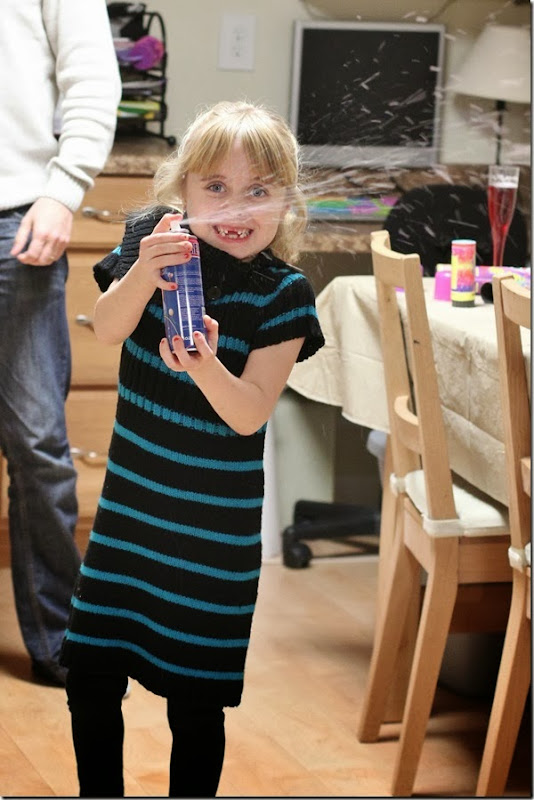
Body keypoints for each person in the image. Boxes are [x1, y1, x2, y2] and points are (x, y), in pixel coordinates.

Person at [60, 100, 325, 797]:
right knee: (89, 675)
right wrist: (141, 273)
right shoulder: (152, 239)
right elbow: (106, 328)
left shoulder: (285, 296)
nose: (235, 208)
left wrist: (203, 362)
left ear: (285, 202)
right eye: (215, 187)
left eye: (258, 191)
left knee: (196, 703)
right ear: (182, 190)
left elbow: (248, 414)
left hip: (211, 538)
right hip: (130, 518)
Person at [0, 0, 121, 687]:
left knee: (39, 445)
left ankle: (62, 646)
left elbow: (92, 78)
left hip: (16, 223)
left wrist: (63, 191)